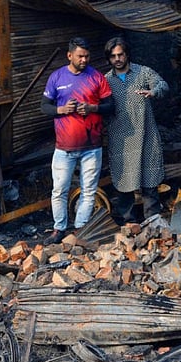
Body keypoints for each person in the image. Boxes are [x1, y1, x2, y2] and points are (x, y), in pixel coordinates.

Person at [41, 37, 114, 244]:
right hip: (64, 147)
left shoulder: (97, 77)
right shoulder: (56, 77)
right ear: (70, 55)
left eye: (87, 56)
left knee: (89, 190)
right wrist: (61, 110)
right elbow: (43, 106)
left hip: (92, 146)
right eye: (80, 56)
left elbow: (111, 106)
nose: (84, 60)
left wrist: (92, 108)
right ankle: (58, 229)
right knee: (59, 190)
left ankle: (81, 229)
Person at [103, 37, 169, 223]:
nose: (117, 59)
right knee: (125, 181)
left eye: (120, 54)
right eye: (113, 56)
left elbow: (162, 84)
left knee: (149, 180)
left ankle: (153, 221)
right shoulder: (106, 81)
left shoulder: (142, 72)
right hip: (120, 138)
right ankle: (128, 223)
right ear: (109, 58)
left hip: (146, 134)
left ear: (127, 54)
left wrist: (154, 92)